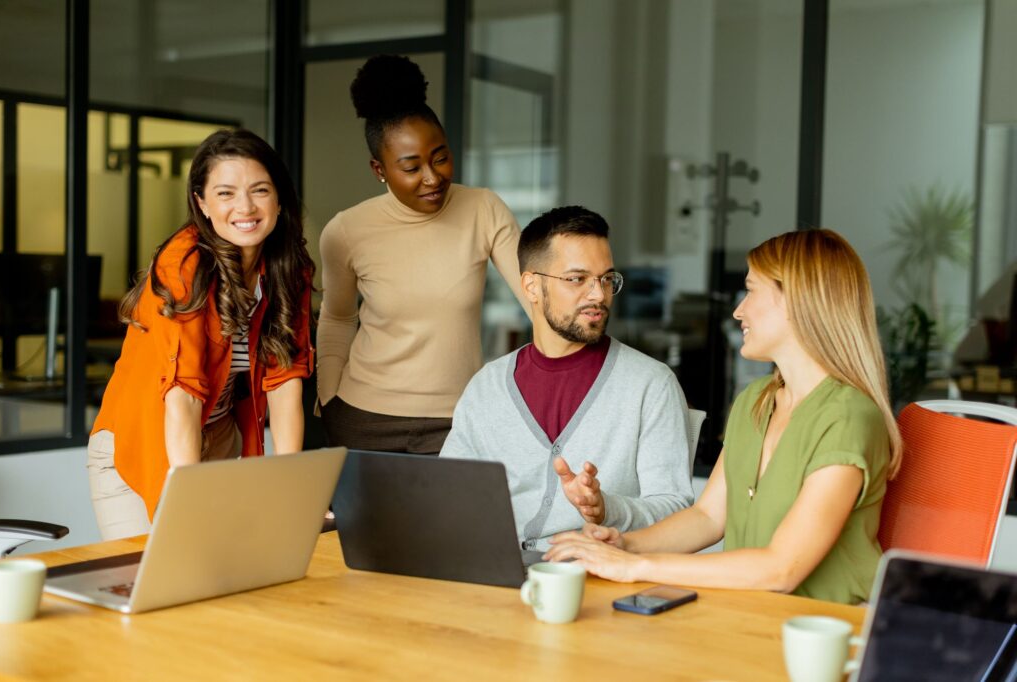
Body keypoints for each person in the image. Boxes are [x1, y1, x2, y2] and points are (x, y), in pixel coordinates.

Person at [546, 228, 903, 605]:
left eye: (751, 291)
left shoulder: (848, 417)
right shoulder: (755, 401)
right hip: (749, 619)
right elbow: (707, 517)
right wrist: (626, 545)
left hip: (824, 633)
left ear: (797, 300)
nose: (738, 310)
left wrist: (636, 567)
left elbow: (782, 569)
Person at [88, 129, 315, 541]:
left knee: (221, 579)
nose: (245, 207)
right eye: (225, 193)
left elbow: (286, 383)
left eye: (259, 190)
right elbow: (183, 397)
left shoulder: (288, 267)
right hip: (142, 444)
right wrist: (187, 506)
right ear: (201, 203)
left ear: (279, 198)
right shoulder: (184, 266)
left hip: (219, 437)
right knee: (157, 581)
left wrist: (291, 489)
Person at [441, 206, 694, 552]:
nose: (598, 295)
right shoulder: (486, 387)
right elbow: (447, 495)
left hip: (595, 577)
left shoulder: (651, 384)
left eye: (607, 279)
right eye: (578, 279)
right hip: (492, 573)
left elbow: (678, 511)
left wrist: (608, 508)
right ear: (531, 286)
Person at [317, 55, 530, 454]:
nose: (433, 178)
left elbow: (535, 295)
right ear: (379, 170)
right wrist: (329, 397)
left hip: (457, 421)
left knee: (457, 519)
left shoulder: (483, 208)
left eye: (441, 157)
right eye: (411, 167)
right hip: (363, 419)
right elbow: (338, 317)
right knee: (364, 522)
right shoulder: (346, 230)